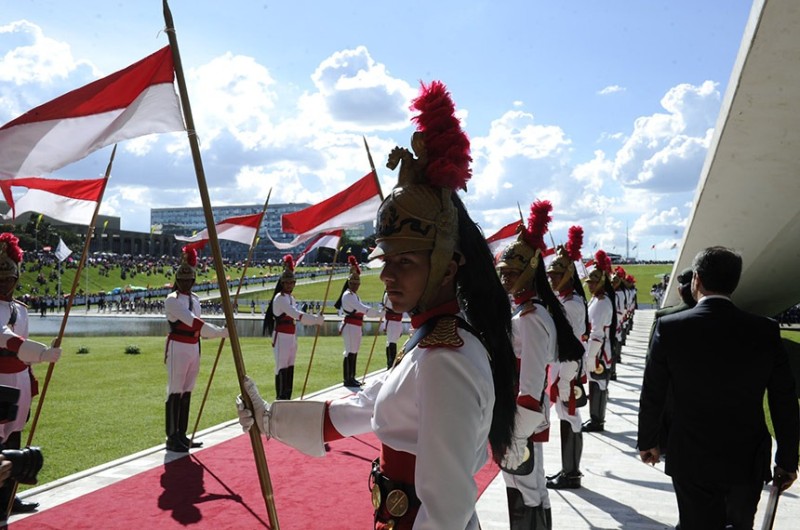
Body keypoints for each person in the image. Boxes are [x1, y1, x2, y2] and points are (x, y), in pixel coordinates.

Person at [236, 80, 518, 530]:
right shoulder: (430, 343)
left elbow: (445, 511)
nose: (387, 275)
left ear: (449, 268)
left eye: (404, 261)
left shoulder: (448, 358)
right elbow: (369, 408)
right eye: (387, 259)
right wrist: (270, 419)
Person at [638, 246, 799, 529]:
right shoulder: (764, 331)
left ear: (696, 280)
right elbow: (783, 399)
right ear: (734, 283)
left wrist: (649, 440)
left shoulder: (670, 327)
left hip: (691, 454)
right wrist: (787, 458)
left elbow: (654, 392)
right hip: (746, 457)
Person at [495, 202, 585, 529]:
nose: (505, 278)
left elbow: (530, 383)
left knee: (525, 488)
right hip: (522, 416)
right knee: (533, 488)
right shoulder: (527, 312)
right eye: (502, 272)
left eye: (512, 273)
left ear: (530, 270)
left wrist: (515, 435)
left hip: (522, 417)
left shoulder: (531, 318)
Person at [0, 233, 61, 516]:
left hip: (21, 377)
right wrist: (41, 353)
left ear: (17, 278)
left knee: (15, 437)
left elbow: (19, 340)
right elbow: (6, 337)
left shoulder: (20, 309)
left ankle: (12, 496)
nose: (3, 282)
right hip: (0, 378)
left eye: (8, 278)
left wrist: (33, 371)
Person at [164, 245, 229, 453]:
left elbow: (199, 330)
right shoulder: (172, 300)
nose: (185, 283)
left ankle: (182, 434)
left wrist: (216, 333)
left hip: (193, 347)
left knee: (187, 390)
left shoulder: (195, 300)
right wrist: (220, 332)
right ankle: (172, 436)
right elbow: (194, 323)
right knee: (175, 390)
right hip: (178, 346)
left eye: (189, 279)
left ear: (193, 280)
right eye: (182, 279)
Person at [545, 226, 589, 490]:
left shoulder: (571, 304)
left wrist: (565, 378)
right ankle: (568, 469)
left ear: (568, 275)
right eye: (551, 274)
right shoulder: (565, 300)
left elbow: (571, 344)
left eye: (557, 274)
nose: (552, 279)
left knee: (570, 416)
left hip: (567, 366)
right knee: (566, 415)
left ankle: (571, 473)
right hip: (563, 364)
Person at [263, 254, 324, 399]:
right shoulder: (280, 298)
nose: (289, 285)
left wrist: (315, 319)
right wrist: (316, 320)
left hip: (291, 334)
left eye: (292, 283)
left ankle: (287, 395)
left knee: (290, 365)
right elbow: (297, 315)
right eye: (287, 283)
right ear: (282, 283)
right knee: (281, 366)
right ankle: (281, 397)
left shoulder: (291, 298)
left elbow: (297, 315)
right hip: (282, 335)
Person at [581, 250, 617, 433]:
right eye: (589, 282)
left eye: (593, 282)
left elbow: (597, 333)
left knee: (598, 384)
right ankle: (595, 418)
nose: (590, 286)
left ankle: (597, 420)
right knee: (595, 384)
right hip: (597, 348)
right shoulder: (597, 300)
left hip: (599, 350)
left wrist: (591, 356)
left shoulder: (602, 302)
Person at [334, 255, 381, 387]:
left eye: (357, 283)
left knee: (354, 351)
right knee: (350, 351)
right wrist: (377, 313)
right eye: (353, 283)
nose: (355, 285)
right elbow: (362, 309)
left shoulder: (354, 295)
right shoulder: (348, 296)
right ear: (349, 283)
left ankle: (352, 376)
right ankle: (347, 378)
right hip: (350, 326)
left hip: (355, 326)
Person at [381, 294, 405, 369]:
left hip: (397, 320)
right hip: (391, 320)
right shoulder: (388, 294)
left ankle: (391, 363)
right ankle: (391, 364)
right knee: (391, 342)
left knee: (392, 341)